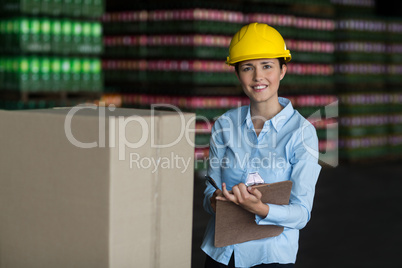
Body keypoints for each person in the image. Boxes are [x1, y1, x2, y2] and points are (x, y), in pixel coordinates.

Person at [201, 22, 322, 268]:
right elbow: (209, 190)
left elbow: (301, 214)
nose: (258, 77)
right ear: (237, 74)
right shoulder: (224, 125)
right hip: (220, 254)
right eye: (247, 68)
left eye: (267, 66)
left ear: (282, 70)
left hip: (269, 258)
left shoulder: (302, 133)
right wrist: (214, 200)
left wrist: (262, 209)